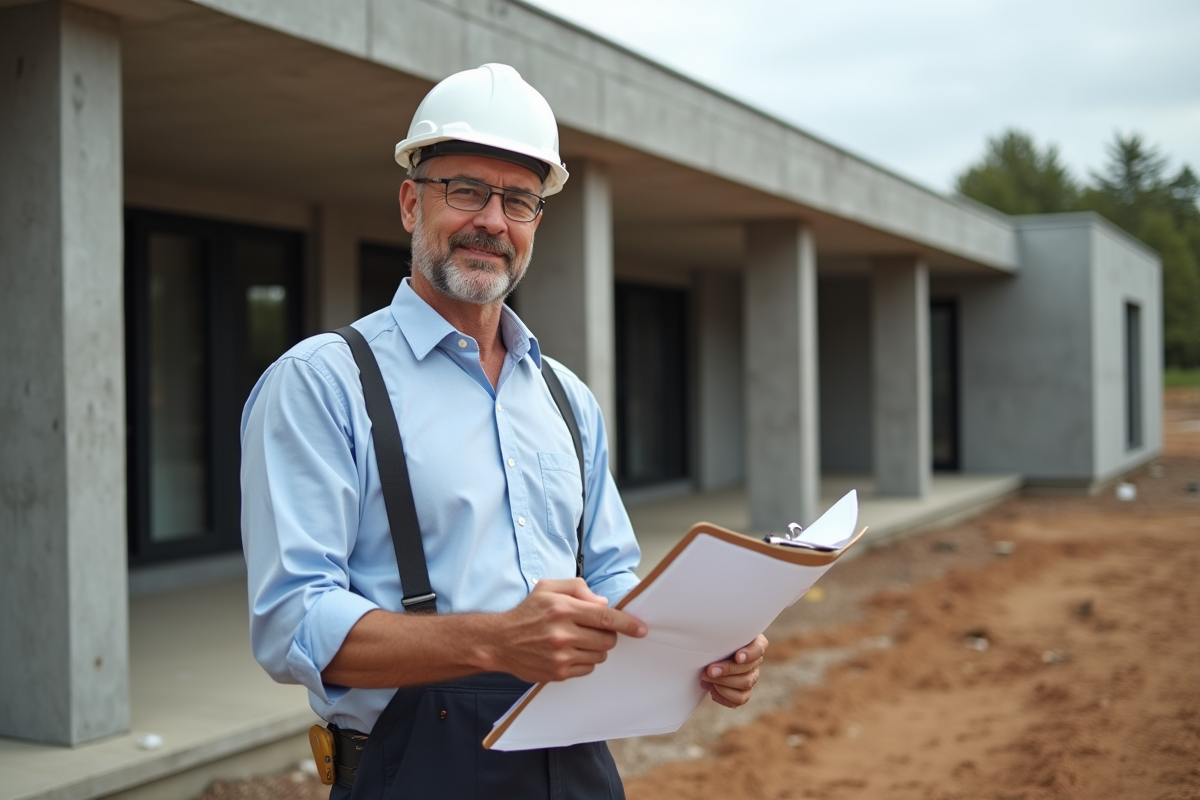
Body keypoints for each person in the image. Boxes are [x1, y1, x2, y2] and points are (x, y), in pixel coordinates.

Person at [240, 63, 768, 799]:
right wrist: (494, 639)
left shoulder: (566, 398)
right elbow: (292, 622)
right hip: (412, 776)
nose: (493, 219)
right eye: (466, 190)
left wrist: (705, 644)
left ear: (535, 225)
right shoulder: (323, 383)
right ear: (408, 203)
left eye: (519, 200)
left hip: (576, 763)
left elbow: (612, 578)